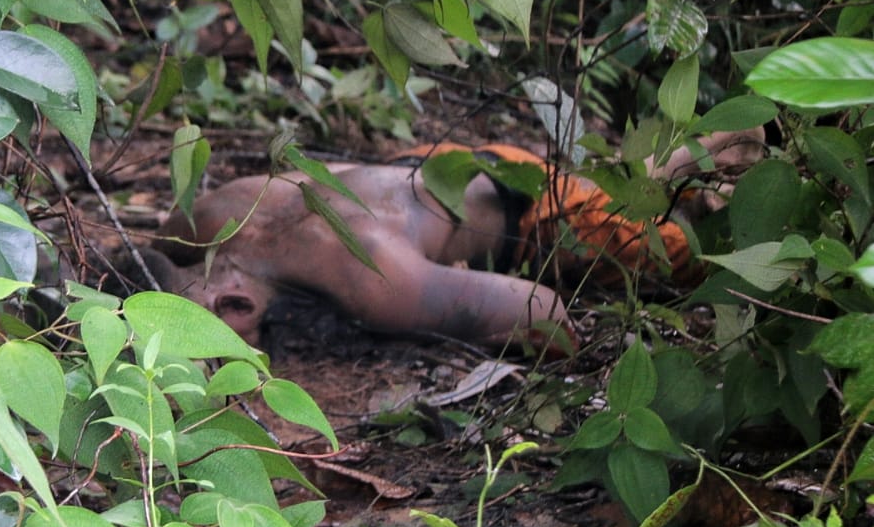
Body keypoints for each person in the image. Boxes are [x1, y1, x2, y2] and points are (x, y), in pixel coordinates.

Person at [144, 128, 766, 352]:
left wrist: (444, 323)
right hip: (436, 167)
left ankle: (749, 178)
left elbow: (545, 314)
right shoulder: (202, 220)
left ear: (235, 305)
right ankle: (708, 150)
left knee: (709, 258)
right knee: (612, 183)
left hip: (534, 218)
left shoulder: (371, 279)